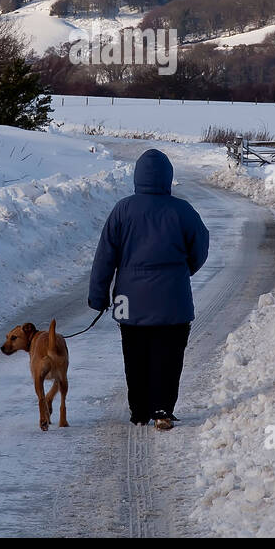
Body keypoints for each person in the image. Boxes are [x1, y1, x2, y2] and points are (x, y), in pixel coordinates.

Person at [88, 149, 210, 430]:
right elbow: (200, 248)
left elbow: (105, 256)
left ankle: (139, 410)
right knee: (169, 356)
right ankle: (162, 409)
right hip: (173, 299)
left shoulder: (122, 209)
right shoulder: (183, 211)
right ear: (168, 176)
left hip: (127, 299)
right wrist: (182, 272)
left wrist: (98, 296)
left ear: (137, 176)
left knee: (134, 354)